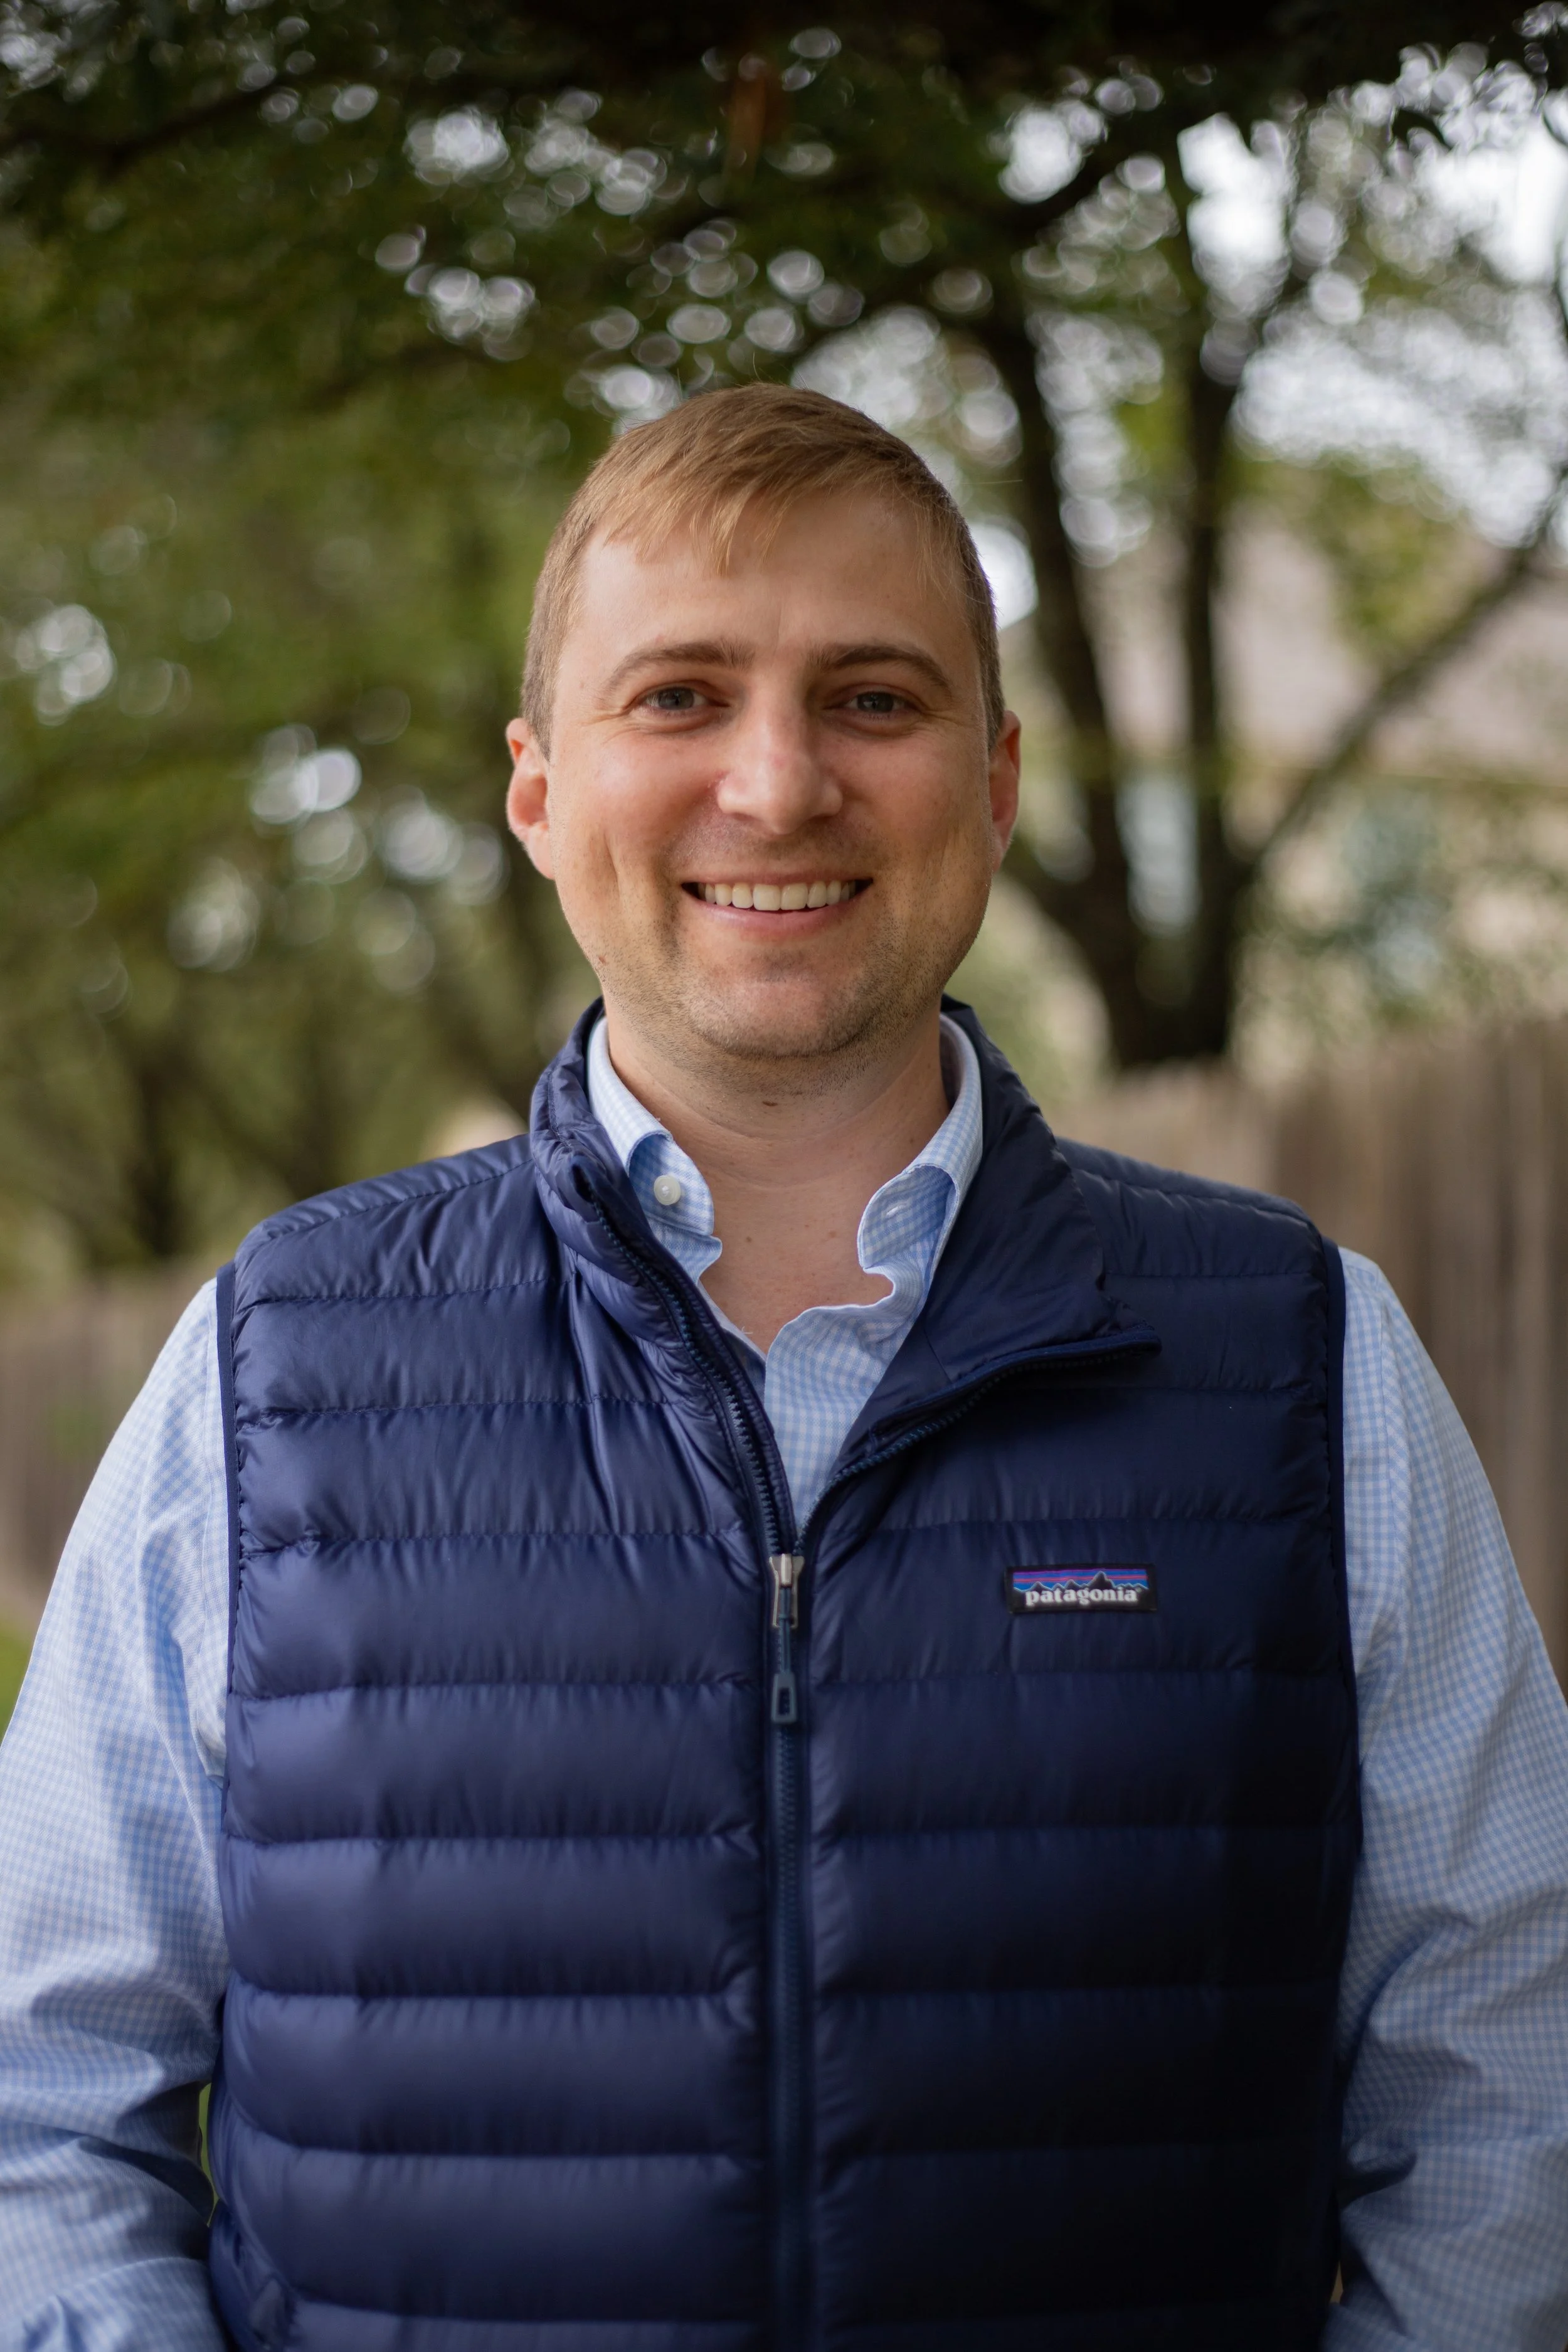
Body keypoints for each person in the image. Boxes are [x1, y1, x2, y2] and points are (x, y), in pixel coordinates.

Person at [3, 384, 1568, 2352]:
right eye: (675, 697)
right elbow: (39, 2103)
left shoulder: (1302, 1364)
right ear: (537, 789)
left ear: (991, 783)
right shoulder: (273, 1370)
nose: (775, 782)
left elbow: (1512, 2082)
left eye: (873, 700)